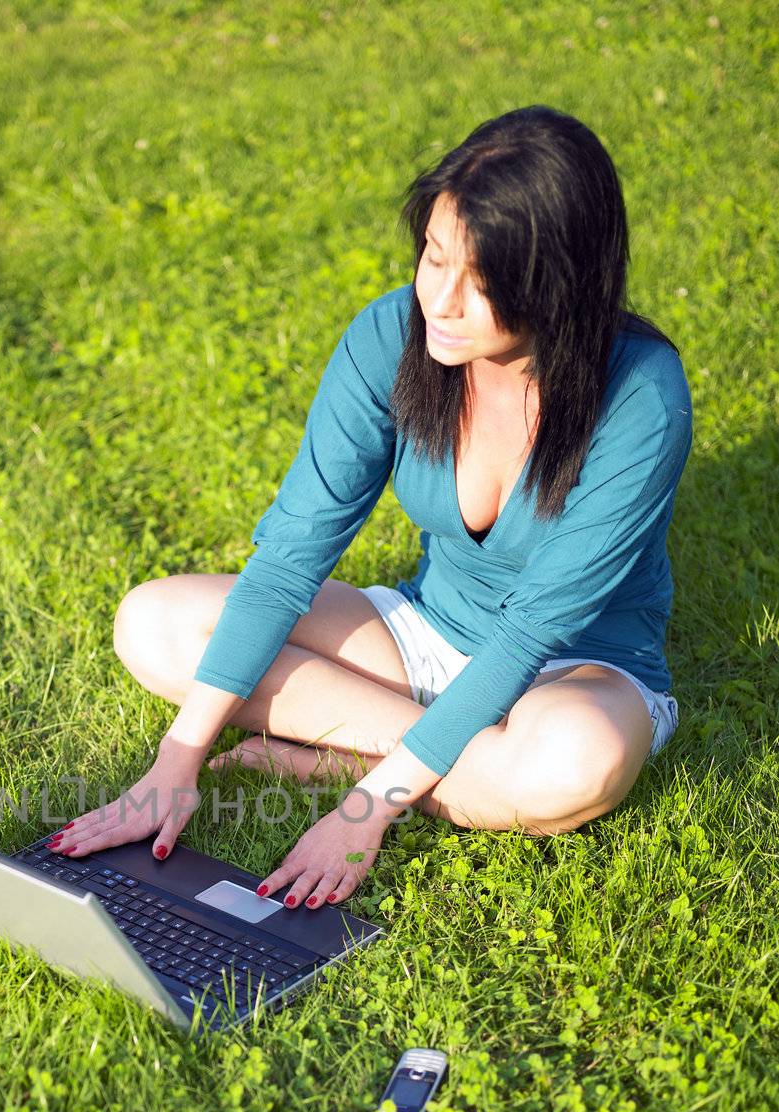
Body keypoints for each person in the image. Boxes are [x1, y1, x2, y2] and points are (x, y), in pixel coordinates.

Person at [46, 105, 692, 910]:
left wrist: (362, 807)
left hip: (572, 671)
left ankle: (356, 760)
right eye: (433, 257)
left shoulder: (640, 397)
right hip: (423, 638)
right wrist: (174, 765)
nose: (442, 301)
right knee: (155, 623)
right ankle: (441, 759)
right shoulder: (392, 336)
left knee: (573, 763)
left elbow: (532, 630)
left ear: (559, 284)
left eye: (482, 282)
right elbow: (288, 561)